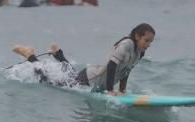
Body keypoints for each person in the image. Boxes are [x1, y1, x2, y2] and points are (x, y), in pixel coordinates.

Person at [10, 23, 155, 95]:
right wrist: (111, 90)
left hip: (93, 80)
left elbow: (126, 70)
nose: (148, 45)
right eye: (146, 40)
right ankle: (30, 55)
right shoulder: (127, 44)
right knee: (50, 81)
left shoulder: (139, 52)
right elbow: (112, 65)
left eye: (151, 42)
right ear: (137, 36)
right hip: (90, 79)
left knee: (69, 75)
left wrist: (122, 90)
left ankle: (57, 53)